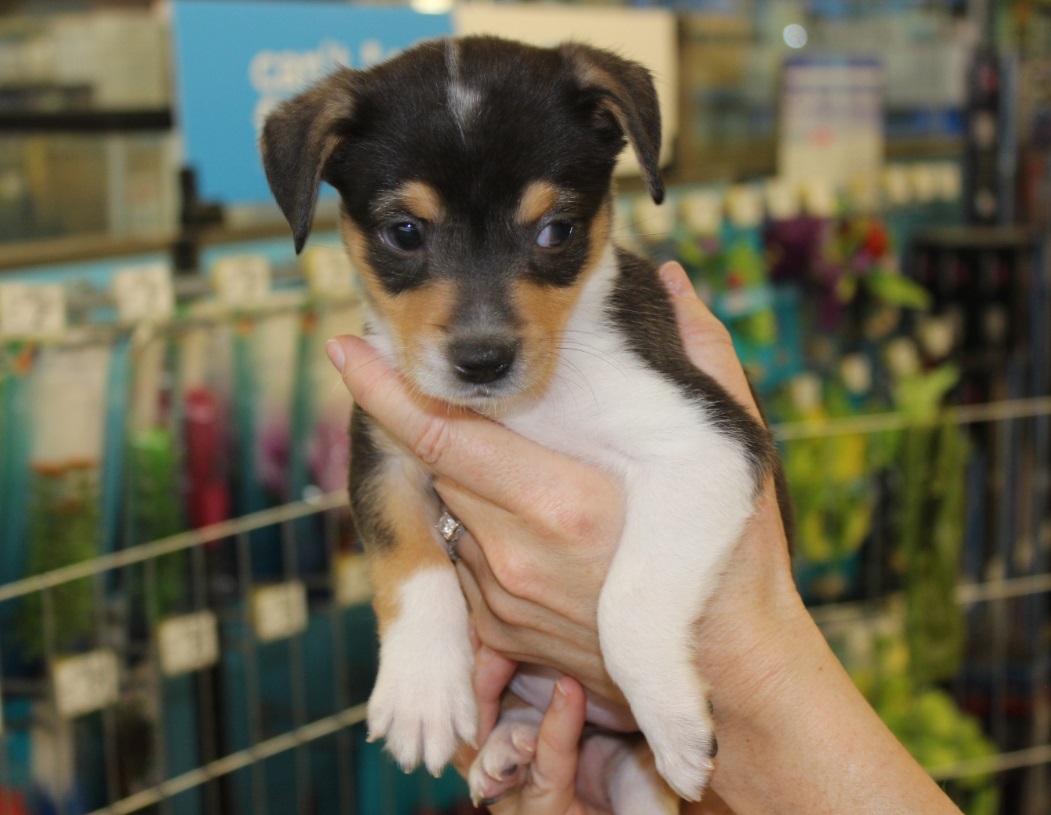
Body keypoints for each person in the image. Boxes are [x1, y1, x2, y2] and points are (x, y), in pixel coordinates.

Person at [325, 261, 964, 815]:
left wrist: (645, 648)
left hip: (666, 688)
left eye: (552, 232)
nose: (481, 319)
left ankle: (625, 762)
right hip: (569, 707)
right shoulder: (406, 345)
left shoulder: (606, 339)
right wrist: (423, 625)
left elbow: (715, 462)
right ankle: (586, 748)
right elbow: (386, 473)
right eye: (406, 233)